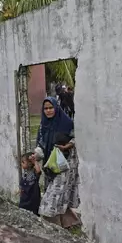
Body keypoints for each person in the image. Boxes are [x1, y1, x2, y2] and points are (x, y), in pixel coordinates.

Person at [33, 97, 80, 228]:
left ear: (56, 107)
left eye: (51, 107)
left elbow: (77, 136)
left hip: (65, 165)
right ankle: (69, 223)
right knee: (57, 196)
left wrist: (67, 146)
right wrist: (35, 155)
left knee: (53, 197)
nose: (48, 111)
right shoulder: (43, 125)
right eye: (46, 108)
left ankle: (52, 229)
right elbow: (41, 145)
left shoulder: (67, 122)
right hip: (50, 166)